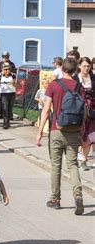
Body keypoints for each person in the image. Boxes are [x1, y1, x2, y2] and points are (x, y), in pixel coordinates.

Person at [36, 57, 84, 215]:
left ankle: (55, 199)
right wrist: (81, 133)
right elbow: (83, 111)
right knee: (73, 165)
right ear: (75, 70)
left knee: (56, 166)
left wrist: (40, 132)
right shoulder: (79, 86)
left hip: (57, 130)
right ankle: (78, 195)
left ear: (62, 69)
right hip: (73, 131)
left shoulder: (53, 85)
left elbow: (46, 109)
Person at [78, 57, 94, 171]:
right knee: (80, 136)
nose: (86, 68)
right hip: (78, 112)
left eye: (88, 66)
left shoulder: (93, 79)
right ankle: (75, 157)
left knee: (90, 136)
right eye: (84, 66)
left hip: (92, 112)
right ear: (79, 66)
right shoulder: (75, 79)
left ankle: (84, 160)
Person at [0, 64, 16, 129]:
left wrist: (13, 82)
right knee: (5, 107)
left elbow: (16, 82)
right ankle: (5, 123)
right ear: (3, 69)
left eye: (8, 69)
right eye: (5, 69)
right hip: (4, 93)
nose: (7, 71)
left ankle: (7, 122)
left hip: (12, 93)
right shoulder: (0, 75)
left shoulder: (13, 75)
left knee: (10, 108)